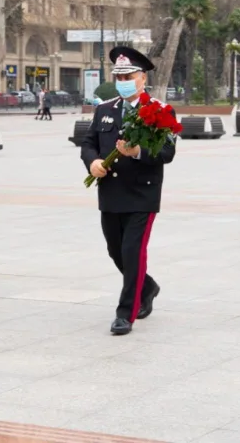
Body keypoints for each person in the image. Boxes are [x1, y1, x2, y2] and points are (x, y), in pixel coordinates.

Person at [81, 46, 175, 336]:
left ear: (142, 78)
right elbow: (88, 143)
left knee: (132, 253)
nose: (122, 79)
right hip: (110, 192)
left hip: (141, 195)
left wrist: (138, 151)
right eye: (118, 74)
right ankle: (147, 287)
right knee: (115, 251)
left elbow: (168, 152)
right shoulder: (105, 109)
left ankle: (126, 313)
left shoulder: (158, 110)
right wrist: (93, 162)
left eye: (128, 74)